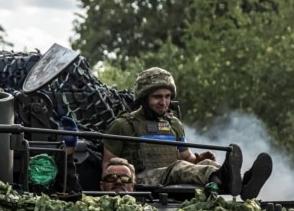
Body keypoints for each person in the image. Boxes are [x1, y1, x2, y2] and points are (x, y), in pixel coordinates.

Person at [102, 67, 272, 200]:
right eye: (157, 97)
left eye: (168, 96)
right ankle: (220, 177)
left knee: (206, 163)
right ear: (143, 98)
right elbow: (108, 167)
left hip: (169, 175)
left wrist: (199, 160)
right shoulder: (123, 125)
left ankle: (243, 182)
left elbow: (187, 159)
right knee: (177, 168)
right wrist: (115, 187)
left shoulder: (174, 124)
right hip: (138, 180)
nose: (164, 102)